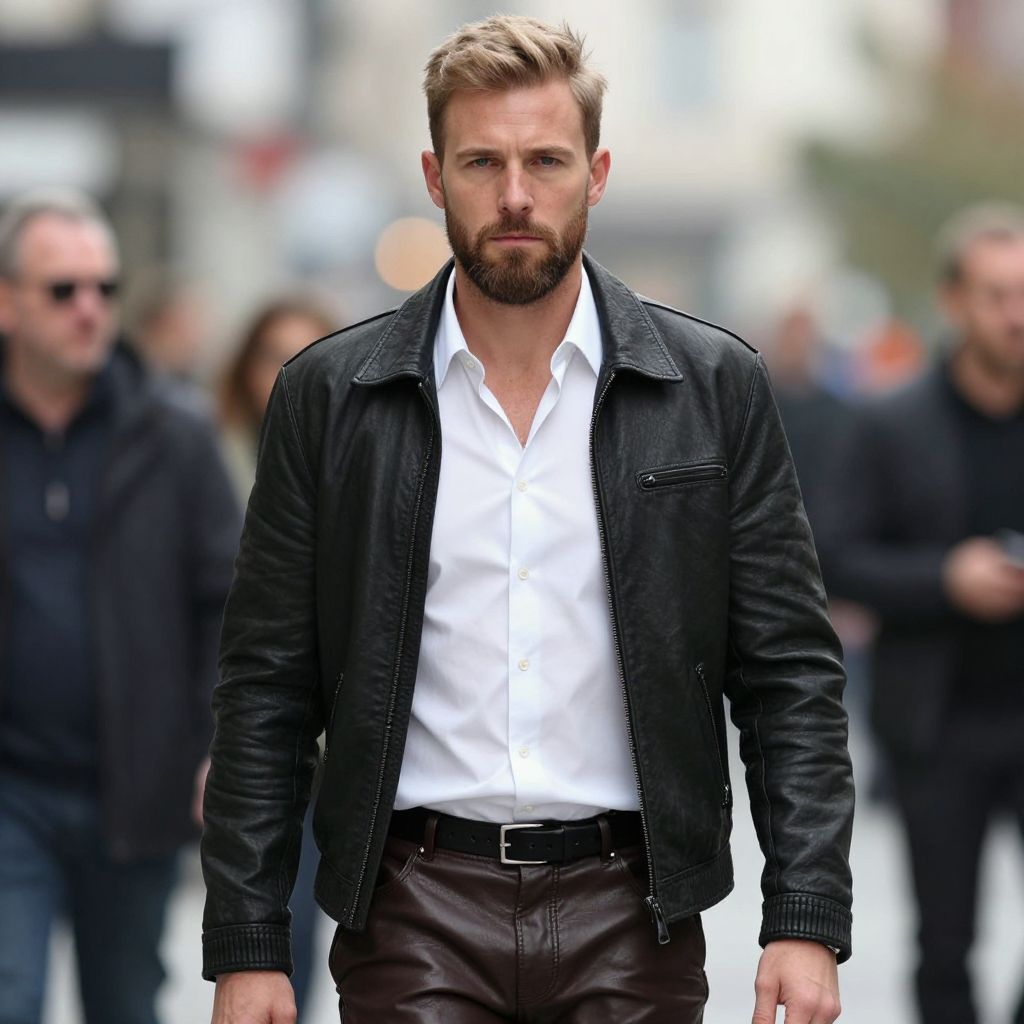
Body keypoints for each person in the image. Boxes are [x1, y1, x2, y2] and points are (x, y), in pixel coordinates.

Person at [201, 16, 854, 1024]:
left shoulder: (711, 386)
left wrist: (803, 916)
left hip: (634, 909)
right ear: (433, 175)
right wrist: (248, 942)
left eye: (544, 160)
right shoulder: (330, 398)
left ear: (594, 173)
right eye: (482, 162)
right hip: (411, 904)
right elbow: (266, 690)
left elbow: (787, 676)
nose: (514, 195)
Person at [0, 188, 241, 1024]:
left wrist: (216, 745)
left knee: (125, 1006)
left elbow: (230, 602)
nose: (90, 309)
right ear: (6, 302)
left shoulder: (173, 432)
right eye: (62, 290)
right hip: (10, 789)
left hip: (135, 792)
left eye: (104, 287)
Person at [819, 204, 1024, 1024]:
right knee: (945, 946)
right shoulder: (890, 421)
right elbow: (834, 556)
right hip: (937, 724)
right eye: (997, 295)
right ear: (952, 302)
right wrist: (947, 578)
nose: (1017, 315)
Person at [214, 297, 339, 1022]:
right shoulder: (212, 460)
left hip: (332, 761)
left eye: (312, 351)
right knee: (257, 954)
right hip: (242, 745)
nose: (293, 372)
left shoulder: (362, 462)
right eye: (274, 354)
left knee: (304, 957)